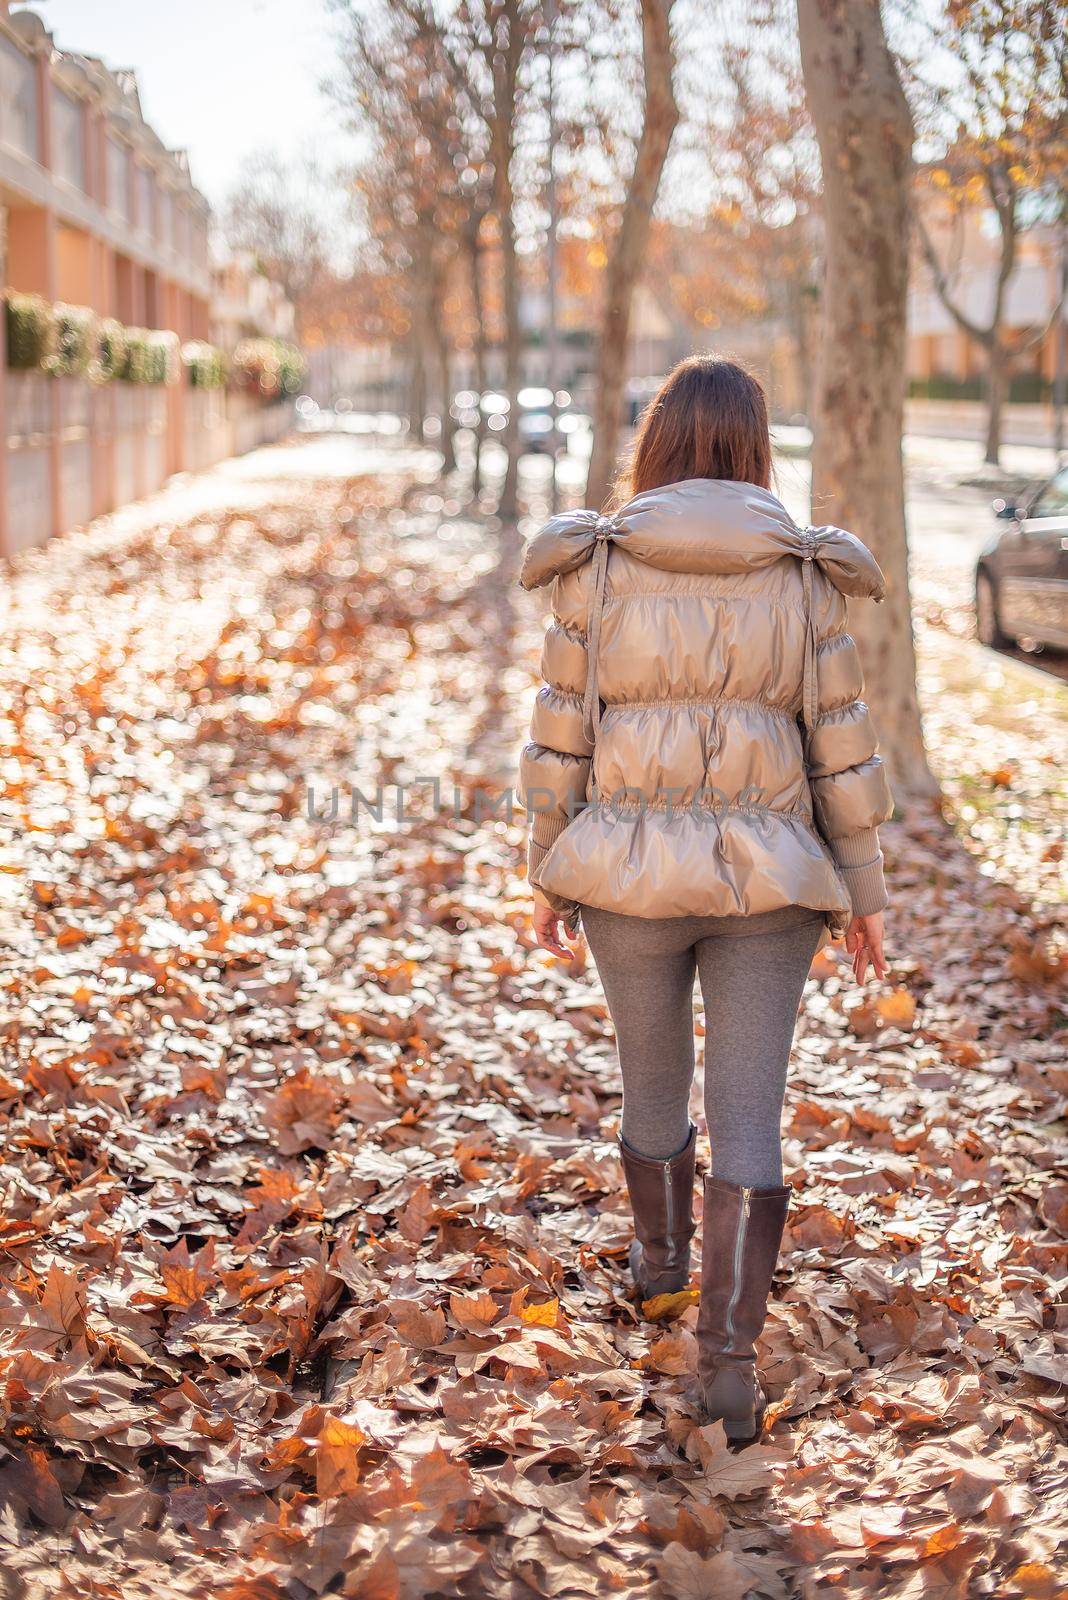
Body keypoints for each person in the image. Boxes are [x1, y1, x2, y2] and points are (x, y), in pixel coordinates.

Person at [517, 355, 892, 1444]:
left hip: (628, 874)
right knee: (748, 1117)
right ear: (757, 447)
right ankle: (728, 1368)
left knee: (651, 1087)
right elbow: (842, 751)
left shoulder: (598, 563)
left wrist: (547, 864)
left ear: (657, 442)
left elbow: (560, 733)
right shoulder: (806, 571)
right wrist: (866, 894)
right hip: (772, 880)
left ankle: (659, 1266)